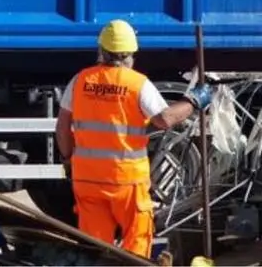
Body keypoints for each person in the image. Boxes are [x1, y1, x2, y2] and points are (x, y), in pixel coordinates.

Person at [55, 19, 212, 259]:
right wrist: (194, 100)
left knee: (94, 249)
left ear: (101, 51)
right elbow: (165, 119)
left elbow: (63, 127)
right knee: (136, 245)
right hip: (127, 183)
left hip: (88, 179)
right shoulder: (137, 84)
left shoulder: (80, 81)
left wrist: (68, 159)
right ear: (130, 54)